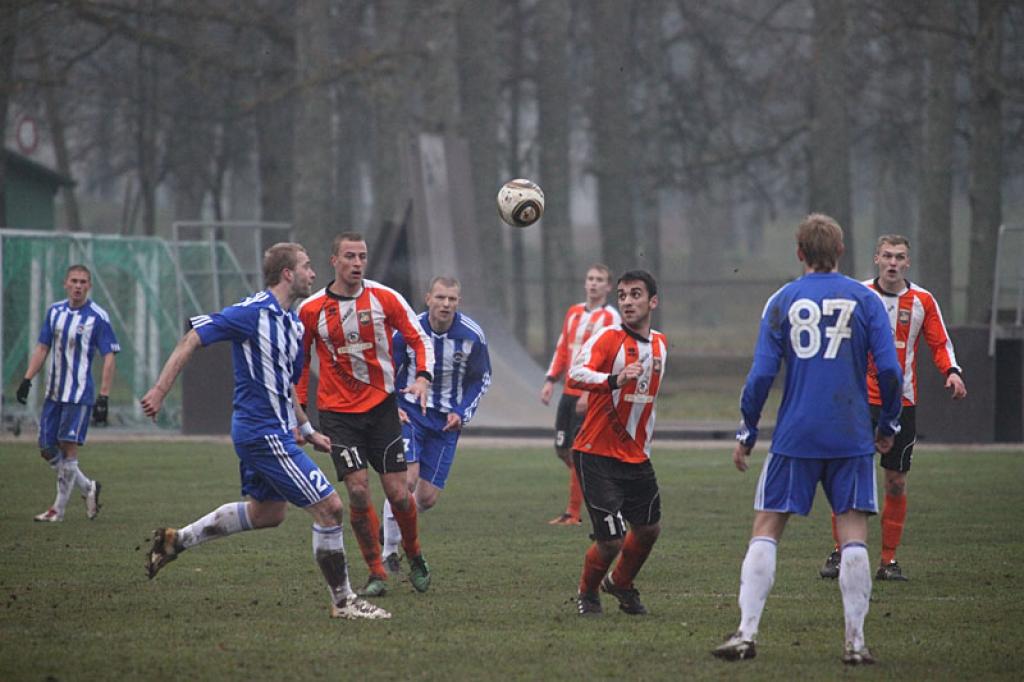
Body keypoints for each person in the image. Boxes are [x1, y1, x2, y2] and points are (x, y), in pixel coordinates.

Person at [140, 242, 389, 620]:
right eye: (306, 267)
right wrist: (159, 391)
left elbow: (285, 386)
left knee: (267, 513)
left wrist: (307, 428)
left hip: (276, 432)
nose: (312, 273)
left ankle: (177, 541)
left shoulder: (290, 323)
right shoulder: (251, 312)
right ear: (288, 274)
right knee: (330, 509)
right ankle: (344, 602)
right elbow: (194, 336)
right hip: (262, 433)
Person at [712, 214, 903, 665]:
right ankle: (855, 642)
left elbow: (761, 375)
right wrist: (888, 424)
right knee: (853, 533)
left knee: (768, 527)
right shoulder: (866, 299)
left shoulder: (781, 300)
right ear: (841, 252)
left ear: (799, 253)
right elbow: (891, 371)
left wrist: (747, 429)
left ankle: (746, 633)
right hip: (851, 434)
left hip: (795, 434)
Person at [819, 234, 967, 582]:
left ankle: (888, 561)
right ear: (876, 259)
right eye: (887, 256)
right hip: (855, 401)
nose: (893, 263)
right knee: (847, 475)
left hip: (901, 403)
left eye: (900, 257)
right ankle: (840, 553)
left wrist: (952, 372)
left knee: (896, 481)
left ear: (908, 263)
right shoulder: (856, 294)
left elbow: (939, 341)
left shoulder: (922, 300)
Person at [296, 232, 434, 598]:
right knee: (357, 491)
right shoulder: (310, 309)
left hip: (383, 409)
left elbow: (420, 339)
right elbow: (298, 363)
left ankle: (414, 553)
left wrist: (422, 378)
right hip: (338, 416)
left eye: (362, 256)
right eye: (350, 256)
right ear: (334, 261)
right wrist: (300, 416)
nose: (357, 263)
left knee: (399, 493)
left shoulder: (385, 298)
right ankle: (376, 572)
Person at [569, 270, 666, 617]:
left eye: (635, 294)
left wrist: (645, 447)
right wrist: (613, 379)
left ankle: (620, 583)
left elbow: (648, 405)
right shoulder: (608, 338)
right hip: (595, 453)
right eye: (623, 295)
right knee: (610, 539)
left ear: (652, 301)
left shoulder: (660, 345)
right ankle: (588, 592)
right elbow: (576, 373)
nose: (627, 301)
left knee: (649, 529)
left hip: (636, 457)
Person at [380, 276, 492, 572]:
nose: (445, 304)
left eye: (451, 299)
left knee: (427, 498)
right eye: (440, 298)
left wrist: (461, 411)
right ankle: (390, 551)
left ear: (458, 302)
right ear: (428, 298)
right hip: (411, 412)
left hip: (446, 423)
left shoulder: (471, 336)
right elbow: (385, 368)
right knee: (407, 479)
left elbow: (480, 378)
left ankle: (394, 521)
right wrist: (392, 405)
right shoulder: (409, 329)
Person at [17, 264, 118, 523]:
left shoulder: (98, 316)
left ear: (89, 286)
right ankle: (88, 488)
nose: (78, 286)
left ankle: (57, 510)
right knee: (46, 448)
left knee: (68, 447)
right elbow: (42, 347)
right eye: (74, 281)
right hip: (53, 392)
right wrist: (27, 379)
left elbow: (109, 356)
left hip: (79, 394)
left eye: (83, 282)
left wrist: (104, 396)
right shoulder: (55, 312)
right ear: (65, 284)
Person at [540, 264, 620, 526]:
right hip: (568, 392)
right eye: (590, 279)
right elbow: (563, 347)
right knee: (562, 450)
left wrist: (591, 392)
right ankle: (596, 482)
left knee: (577, 451)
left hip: (590, 394)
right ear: (585, 283)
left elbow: (609, 358)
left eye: (600, 280)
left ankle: (572, 513)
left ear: (608, 287)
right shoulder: (573, 312)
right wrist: (551, 380)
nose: (594, 284)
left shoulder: (611, 318)